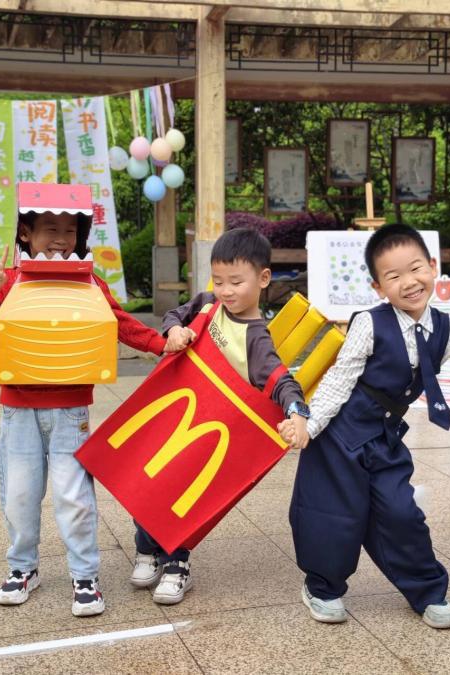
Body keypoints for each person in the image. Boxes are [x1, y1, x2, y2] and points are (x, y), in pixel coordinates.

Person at [279, 223, 450, 629]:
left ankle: (427, 592)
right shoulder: (369, 323)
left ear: (433, 267)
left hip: (385, 439)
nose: (409, 282)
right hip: (339, 436)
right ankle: (322, 588)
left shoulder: (446, 327)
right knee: (333, 516)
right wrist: (309, 423)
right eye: (393, 276)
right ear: (378, 287)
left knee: (401, 513)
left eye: (415, 269)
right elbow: (340, 379)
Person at [0, 198, 173, 617]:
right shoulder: (10, 280)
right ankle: (23, 568)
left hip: (71, 411)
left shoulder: (89, 281)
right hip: (18, 410)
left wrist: (161, 343)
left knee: (74, 498)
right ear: (25, 233)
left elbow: (120, 323)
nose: (61, 239)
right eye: (50, 229)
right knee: (19, 495)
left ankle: (85, 576)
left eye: (70, 231)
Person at [130, 227, 309, 605]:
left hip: (212, 429)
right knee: (147, 480)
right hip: (175, 412)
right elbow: (174, 314)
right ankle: (146, 548)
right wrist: (174, 330)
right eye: (219, 280)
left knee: (183, 494)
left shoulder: (256, 338)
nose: (225, 290)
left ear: (263, 278)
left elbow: (280, 379)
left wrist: (296, 412)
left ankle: (176, 563)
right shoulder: (207, 304)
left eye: (236, 282)